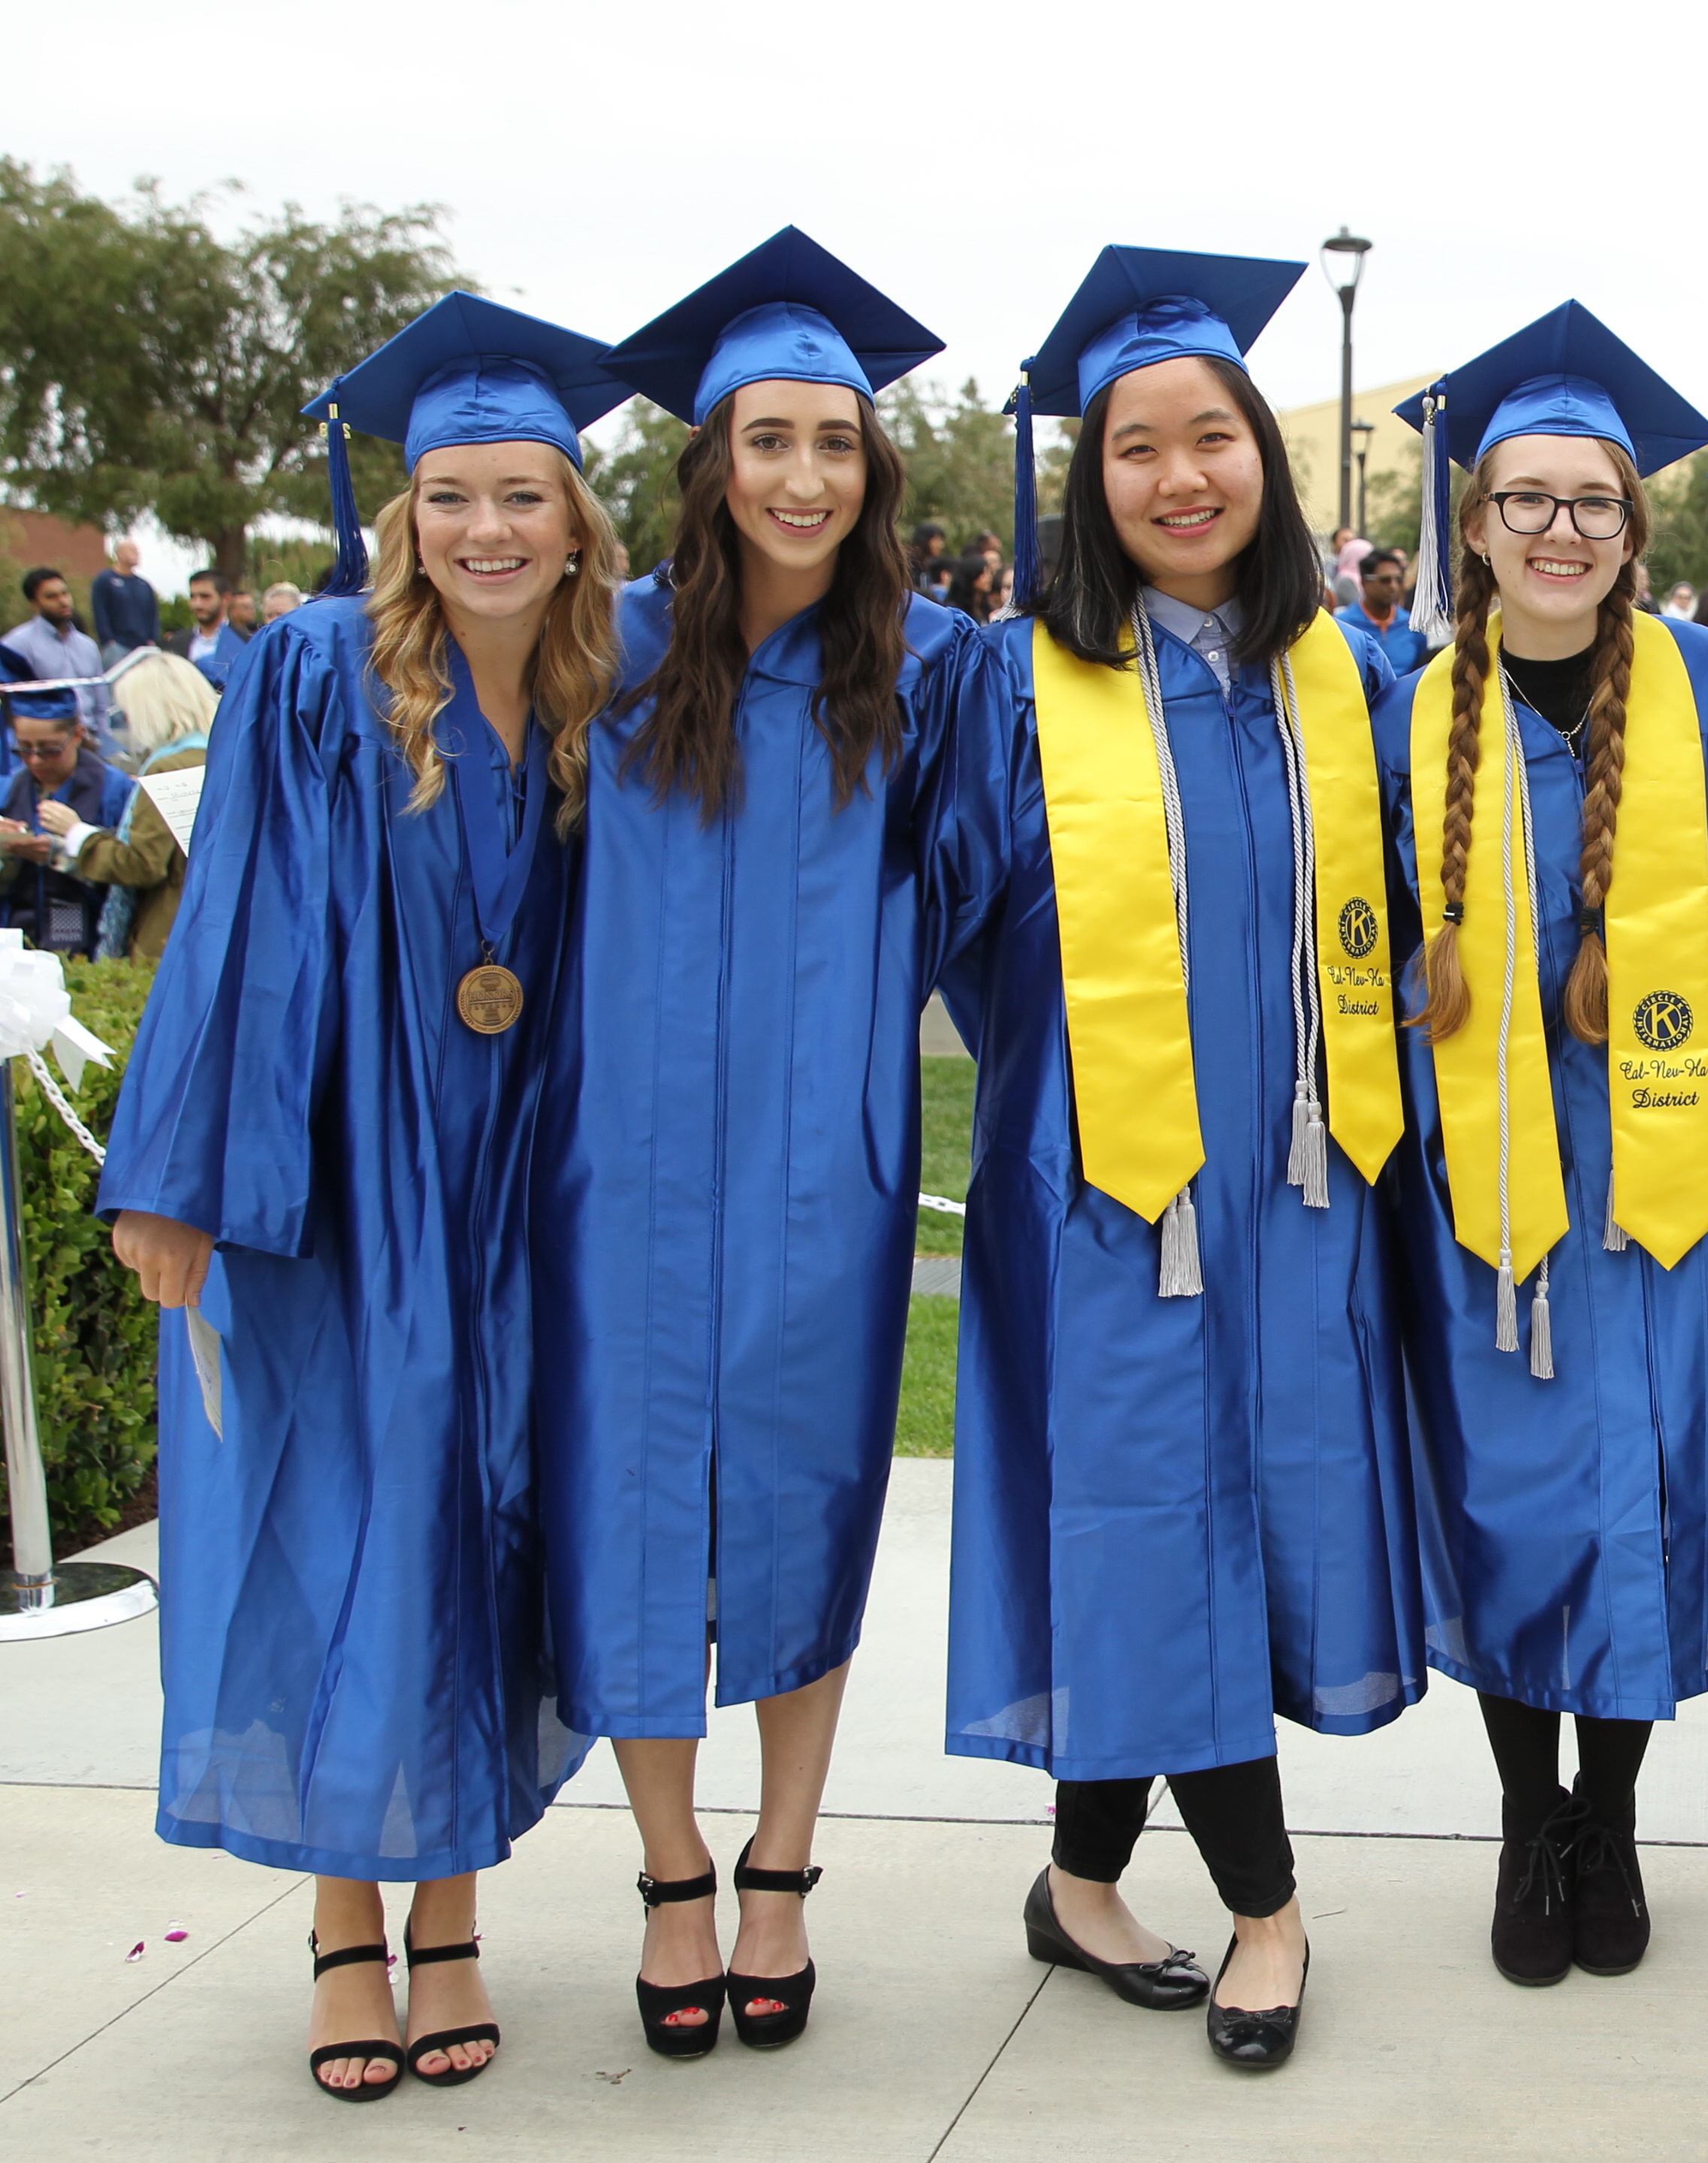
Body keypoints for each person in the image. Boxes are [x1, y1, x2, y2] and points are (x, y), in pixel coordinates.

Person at [97, 292, 626, 2101]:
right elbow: (233, 914)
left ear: (575, 518)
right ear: (404, 515)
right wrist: (172, 1179)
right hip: (331, 1178)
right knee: (341, 1522)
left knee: (486, 1528)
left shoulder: (595, 685)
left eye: (521, 497)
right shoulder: (317, 667)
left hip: (517, 1184)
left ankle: (454, 1907)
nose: (486, 529)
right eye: (451, 496)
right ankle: (345, 1921)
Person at [937, 246, 1416, 2073]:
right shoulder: (1016, 676)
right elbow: (958, 916)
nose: (1180, 476)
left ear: (1263, 466)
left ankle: (1076, 1881)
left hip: (1297, 1189)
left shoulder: (1342, 671)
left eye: (1213, 437)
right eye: (1137, 447)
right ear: (1093, 478)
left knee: (1214, 1528)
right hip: (1107, 1193)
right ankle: (1269, 1909)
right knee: (1162, 1521)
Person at [540, 226, 968, 2062]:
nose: (805, 476)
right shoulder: (594, 653)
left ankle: (782, 1864)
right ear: (709, 461)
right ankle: (667, 1867)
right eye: (768, 439)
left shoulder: (936, 668)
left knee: (803, 1499)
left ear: (873, 474)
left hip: (828, 1173)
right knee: (632, 1506)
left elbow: (1025, 907)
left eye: (838, 443)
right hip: (618, 1171)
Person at [1377, 306, 1708, 1987]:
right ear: (1473, 526)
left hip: (1664, 1188)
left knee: (1647, 1501)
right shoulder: (1399, 713)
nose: (1558, 532)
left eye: (1592, 505)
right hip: (1486, 1192)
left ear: (1634, 528)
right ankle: (1526, 1824)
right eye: (1524, 502)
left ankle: (1609, 1822)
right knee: (1512, 1507)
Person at [48, 646, 213, 958]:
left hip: (165, 936)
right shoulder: (219, 756)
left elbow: (143, 863)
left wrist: (76, 835)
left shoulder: (167, 769)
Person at [0, 703, 135, 954]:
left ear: (77, 735)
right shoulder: (9, 790)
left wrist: (64, 852)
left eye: (49, 749)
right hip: (18, 937)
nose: (35, 760)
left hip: (90, 937)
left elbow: (133, 868)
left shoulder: (116, 789)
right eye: (23, 748)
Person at [4, 566, 111, 734]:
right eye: (51, 597)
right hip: (48, 743)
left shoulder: (88, 645)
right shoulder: (17, 644)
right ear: (34, 604)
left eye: (65, 593)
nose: (63, 601)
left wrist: (105, 738)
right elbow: (12, 704)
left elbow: (101, 703)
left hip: (92, 737)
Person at [1334, 542, 1428, 673]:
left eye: (1398, 580)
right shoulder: (1343, 626)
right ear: (1364, 582)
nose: (1393, 586)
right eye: (1385, 580)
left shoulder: (1413, 626)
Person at [92, 537, 159, 661]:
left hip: (143, 648)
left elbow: (153, 614)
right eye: (133, 551)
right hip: (118, 646)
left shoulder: (144, 585)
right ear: (120, 554)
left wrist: (152, 639)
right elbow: (100, 611)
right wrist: (108, 640)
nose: (138, 554)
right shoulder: (105, 580)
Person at [183, 569, 251, 688]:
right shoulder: (176, 643)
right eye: (193, 596)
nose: (197, 604)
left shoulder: (246, 641)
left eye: (205, 597)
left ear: (225, 599)